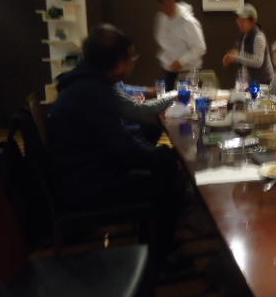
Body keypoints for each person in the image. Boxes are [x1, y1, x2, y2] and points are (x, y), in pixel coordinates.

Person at [48, 24, 186, 258]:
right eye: (132, 58)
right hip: (85, 187)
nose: (133, 63)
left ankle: (155, 240)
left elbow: (118, 141)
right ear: (119, 63)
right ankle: (161, 256)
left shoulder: (87, 83)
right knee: (167, 179)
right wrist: (171, 156)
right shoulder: (94, 92)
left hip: (79, 174)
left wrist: (160, 154)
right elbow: (124, 151)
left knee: (162, 161)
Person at [155, 0, 206, 90]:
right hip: (168, 72)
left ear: (175, 0)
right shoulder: (162, 19)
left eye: (169, 2)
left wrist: (181, 61)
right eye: (163, 3)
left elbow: (200, 48)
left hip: (187, 73)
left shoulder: (188, 21)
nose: (167, 6)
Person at [222, 3, 274, 85]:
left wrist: (236, 58)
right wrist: (235, 54)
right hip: (250, 82)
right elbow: (243, 55)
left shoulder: (258, 37)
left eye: (243, 21)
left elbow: (258, 62)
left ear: (253, 21)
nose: (239, 23)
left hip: (264, 83)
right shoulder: (244, 35)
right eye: (238, 20)